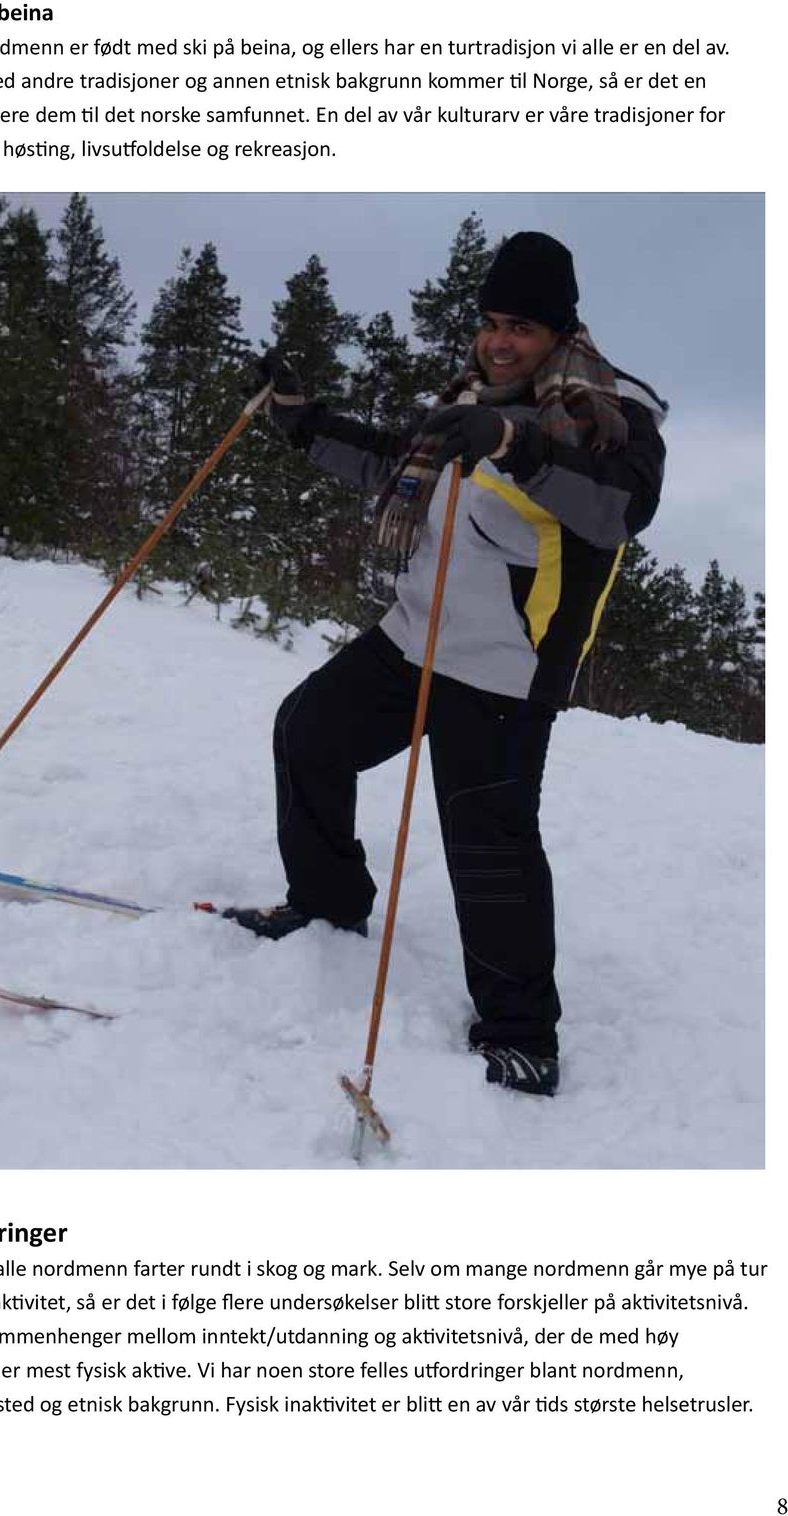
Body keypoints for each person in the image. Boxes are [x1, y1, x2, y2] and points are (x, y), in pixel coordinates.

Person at [223, 232, 668, 1097]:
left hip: (506, 671)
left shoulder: (612, 419)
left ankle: (520, 1033)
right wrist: (300, 422)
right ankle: (328, 901)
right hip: (412, 636)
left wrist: (518, 443)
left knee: (488, 842)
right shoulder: (467, 397)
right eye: (492, 322)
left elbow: (619, 512)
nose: (500, 341)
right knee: (308, 732)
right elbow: (395, 467)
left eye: (523, 328)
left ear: (561, 331)